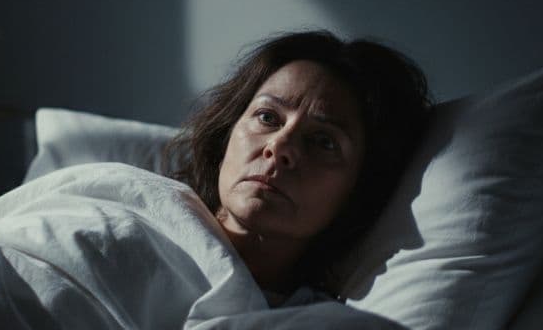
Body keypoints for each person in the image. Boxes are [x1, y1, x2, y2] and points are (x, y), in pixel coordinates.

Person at [166, 29, 432, 303]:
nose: (280, 147)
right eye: (267, 117)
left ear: (358, 191)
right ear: (226, 135)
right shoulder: (137, 202)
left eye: (323, 142)